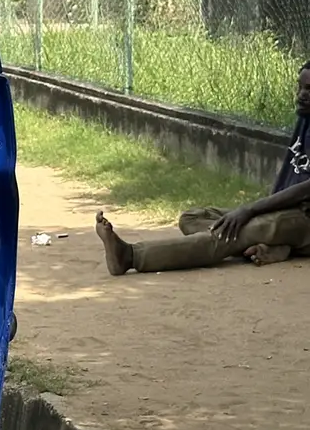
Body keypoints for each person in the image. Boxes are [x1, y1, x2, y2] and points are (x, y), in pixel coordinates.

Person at [97, 61, 310, 274]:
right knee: (192, 218)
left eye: (309, 89)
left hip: (304, 218)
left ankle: (130, 256)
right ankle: (275, 245)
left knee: (226, 234)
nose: (301, 94)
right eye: (299, 87)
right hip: (287, 212)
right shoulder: (305, 117)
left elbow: (304, 189)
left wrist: (250, 210)